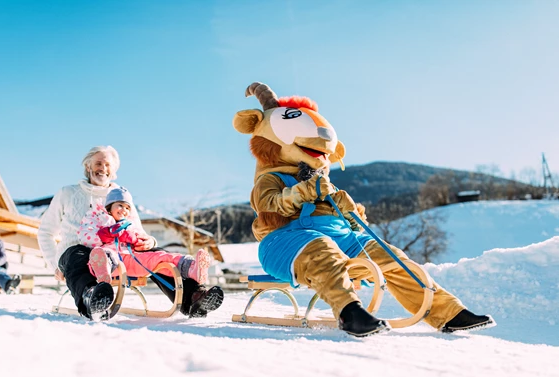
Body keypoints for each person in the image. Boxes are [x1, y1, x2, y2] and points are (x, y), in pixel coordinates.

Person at [233, 82, 495, 337]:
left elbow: (353, 225)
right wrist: (305, 191)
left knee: (388, 254)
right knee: (321, 249)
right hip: (287, 243)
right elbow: (269, 206)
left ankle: (448, 312)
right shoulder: (271, 178)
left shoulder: (325, 184)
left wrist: (352, 215)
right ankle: (350, 313)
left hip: (341, 240)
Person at [38, 145, 224, 320]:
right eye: (98, 163)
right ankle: (91, 297)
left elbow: (136, 230)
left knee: (155, 254)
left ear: (113, 171)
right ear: (88, 166)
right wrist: (54, 264)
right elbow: (45, 232)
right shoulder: (67, 193)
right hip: (77, 249)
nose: (103, 168)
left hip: (117, 250)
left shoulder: (121, 196)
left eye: (107, 165)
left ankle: (193, 296)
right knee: (77, 256)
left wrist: (149, 242)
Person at [80, 186, 211, 293]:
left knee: (160, 257)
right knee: (103, 254)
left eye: (127, 207)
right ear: (109, 208)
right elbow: (90, 237)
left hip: (131, 259)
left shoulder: (130, 225)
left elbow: (141, 242)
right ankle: (103, 272)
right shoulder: (101, 219)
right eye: (120, 205)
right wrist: (109, 232)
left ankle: (191, 268)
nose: (124, 210)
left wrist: (134, 238)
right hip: (112, 258)